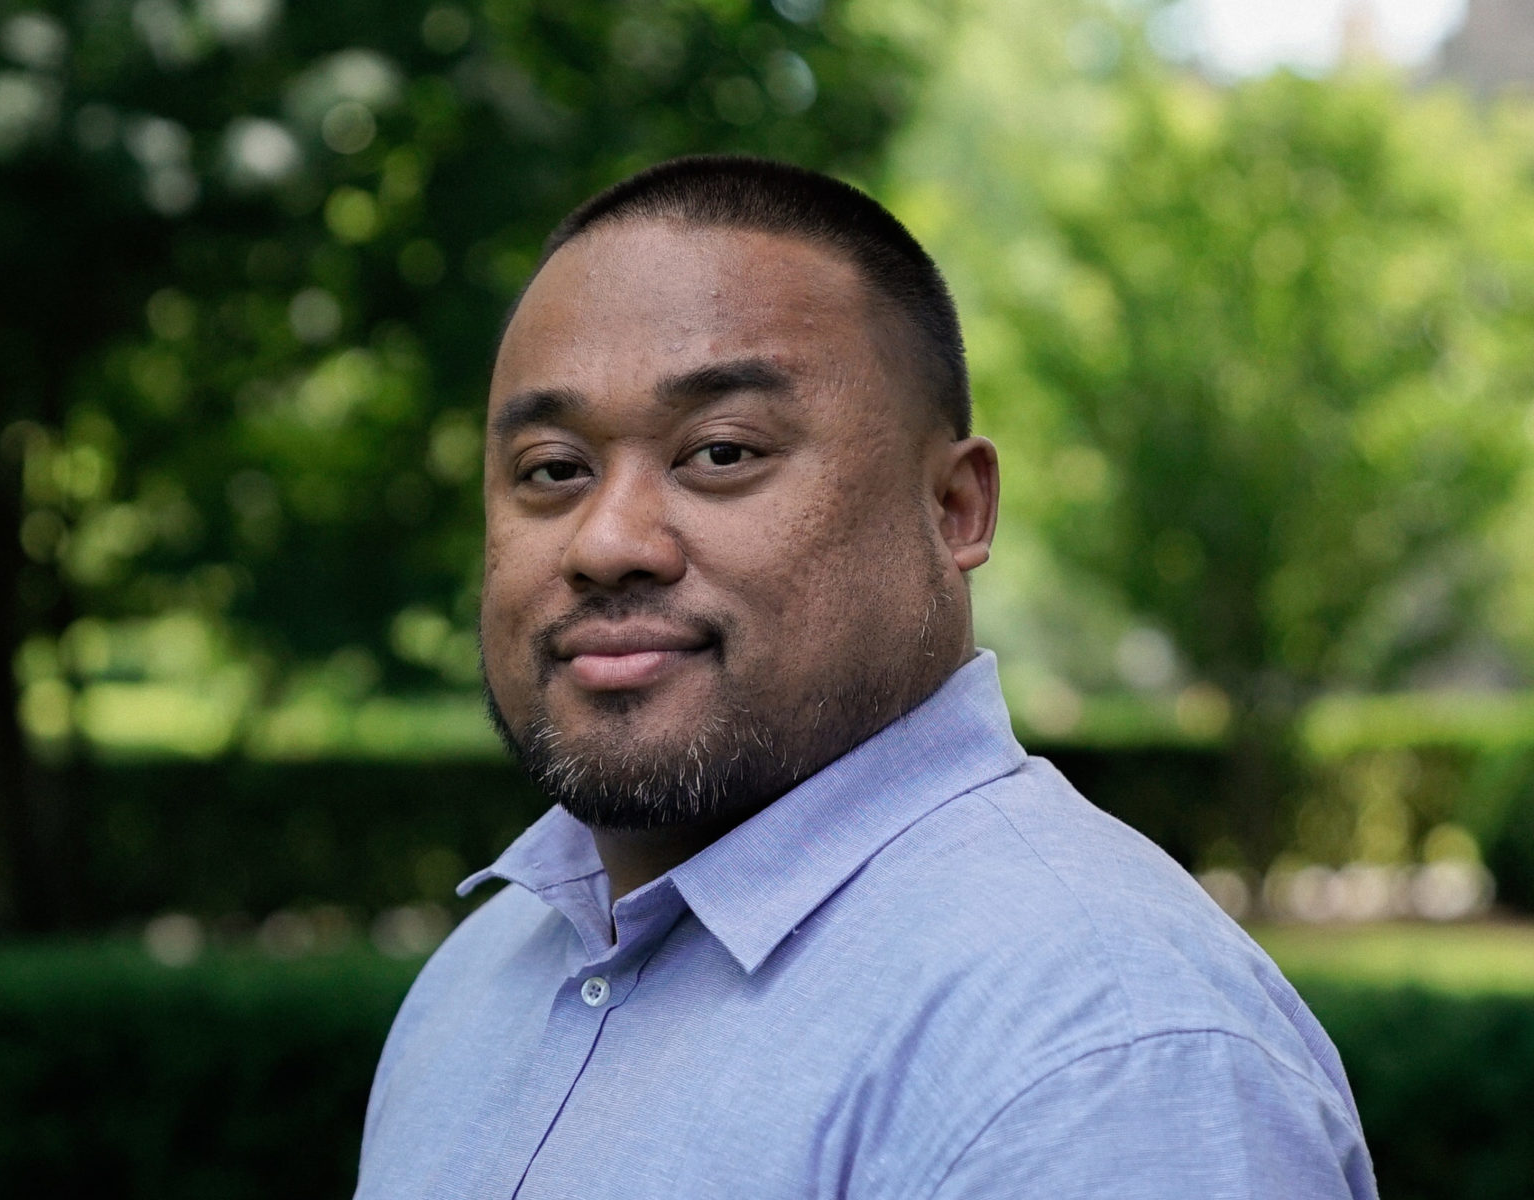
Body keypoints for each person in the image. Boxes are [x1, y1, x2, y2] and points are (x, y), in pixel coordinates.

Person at [354, 156, 1376, 1199]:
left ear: (955, 509)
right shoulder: (478, 982)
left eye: (720, 452)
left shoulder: (1099, 1061)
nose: (607, 541)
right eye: (553, 471)